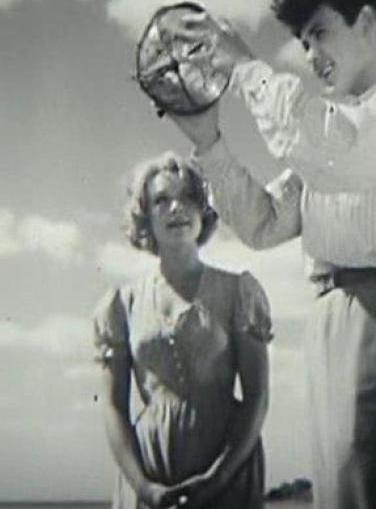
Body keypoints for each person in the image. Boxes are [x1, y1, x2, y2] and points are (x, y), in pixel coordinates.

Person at [167, 0, 376, 508]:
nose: (310, 55)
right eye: (303, 42)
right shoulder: (346, 128)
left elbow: (329, 147)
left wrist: (246, 70)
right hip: (335, 328)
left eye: (319, 33)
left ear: (367, 22)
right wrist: (208, 141)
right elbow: (263, 223)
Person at [93, 152, 272, 509]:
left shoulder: (238, 292)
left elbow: (258, 396)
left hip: (226, 464)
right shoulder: (122, 304)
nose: (177, 208)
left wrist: (218, 478)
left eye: (188, 197)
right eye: (162, 200)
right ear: (144, 216)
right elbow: (113, 405)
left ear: (203, 210)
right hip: (149, 468)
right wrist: (143, 487)